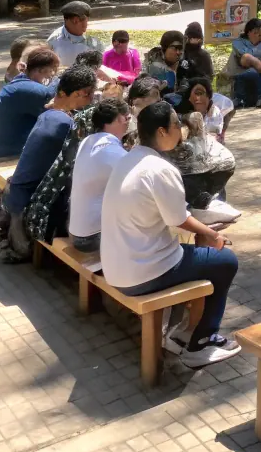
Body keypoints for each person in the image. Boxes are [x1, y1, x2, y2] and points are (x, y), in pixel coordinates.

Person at [100, 101, 241, 366]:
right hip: (142, 273)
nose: (181, 129)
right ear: (162, 132)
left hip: (114, 267)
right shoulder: (160, 168)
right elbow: (179, 219)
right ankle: (202, 342)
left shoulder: (127, 158)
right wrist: (212, 234)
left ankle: (183, 334)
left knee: (201, 256)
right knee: (225, 262)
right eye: (177, 124)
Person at [0, 64, 97, 244]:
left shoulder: (50, 115)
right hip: (30, 206)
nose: (92, 99)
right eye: (90, 94)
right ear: (77, 94)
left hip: (16, 196)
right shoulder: (64, 125)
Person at [69, 98, 131, 252]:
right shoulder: (113, 152)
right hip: (92, 238)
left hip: (76, 232)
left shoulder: (87, 141)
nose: (128, 122)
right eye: (127, 118)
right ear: (118, 118)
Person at [0, 46, 60, 160]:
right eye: (51, 71)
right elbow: (51, 97)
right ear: (40, 70)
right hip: (3, 151)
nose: (51, 76)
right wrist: (59, 80)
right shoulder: (29, 89)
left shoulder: (21, 81)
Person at [227, 17, 261, 108]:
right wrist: (257, 62)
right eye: (256, 33)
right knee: (254, 71)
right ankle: (255, 97)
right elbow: (246, 58)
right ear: (248, 33)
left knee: (259, 72)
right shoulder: (238, 43)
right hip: (239, 74)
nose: (259, 36)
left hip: (260, 74)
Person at [177, 76, 234, 140]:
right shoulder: (182, 114)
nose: (198, 98)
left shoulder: (216, 112)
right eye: (195, 94)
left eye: (200, 93)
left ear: (209, 97)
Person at [46, 1, 103, 66]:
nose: (87, 25)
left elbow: (101, 62)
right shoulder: (54, 41)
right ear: (75, 21)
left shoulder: (92, 39)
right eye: (86, 21)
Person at [177, 21, 214, 89]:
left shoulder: (204, 55)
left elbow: (208, 77)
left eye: (197, 38)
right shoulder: (180, 52)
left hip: (196, 89)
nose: (195, 40)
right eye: (190, 38)